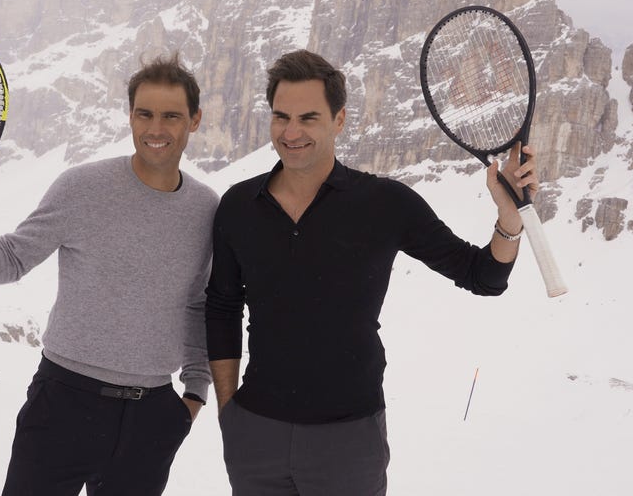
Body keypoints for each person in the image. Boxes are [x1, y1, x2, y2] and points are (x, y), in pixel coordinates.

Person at [205, 49, 540, 495]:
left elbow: (482, 276)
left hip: (349, 441)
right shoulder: (238, 205)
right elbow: (223, 306)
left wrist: (509, 216)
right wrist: (230, 411)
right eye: (280, 116)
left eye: (308, 118)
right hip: (256, 436)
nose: (291, 132)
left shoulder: (384, 203)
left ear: (338, 120)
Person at [0, 53, 217, 496]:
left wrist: (193, 397)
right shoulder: (82, 187)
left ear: (195, 120)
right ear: (130, 116)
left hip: (152, 418)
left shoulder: (207, 210)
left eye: (171, 116)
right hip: (65, 402)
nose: (155, 129)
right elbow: (14, 256)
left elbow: (199, 304)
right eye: (144, 114)